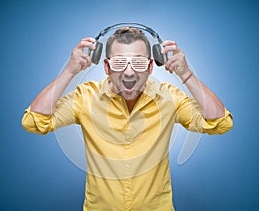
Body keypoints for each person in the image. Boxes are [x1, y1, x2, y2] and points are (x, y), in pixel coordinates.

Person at [22, 26, 233, 211]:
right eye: (120, 62)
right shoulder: (85, 97)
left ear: (151, 67)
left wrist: (186, 75)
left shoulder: (169, 97)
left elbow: (220, 122)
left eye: (139, 63)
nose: (129, 72)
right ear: (106, 67)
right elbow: (33, 122)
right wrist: (69, 71)